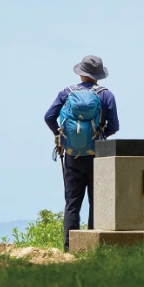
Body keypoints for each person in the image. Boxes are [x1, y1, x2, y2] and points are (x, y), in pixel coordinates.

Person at [44, 55, 120, 251]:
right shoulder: (106, 95)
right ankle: (93, 247)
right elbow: (115, 126)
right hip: (97, 155)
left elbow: (49, 117)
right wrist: (100, 135)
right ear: (98, 75)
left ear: (81, 73)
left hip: (72, 154)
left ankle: (70, 248)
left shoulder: (67, 93)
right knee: (96, 201)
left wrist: (60, 135)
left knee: (72, 203)